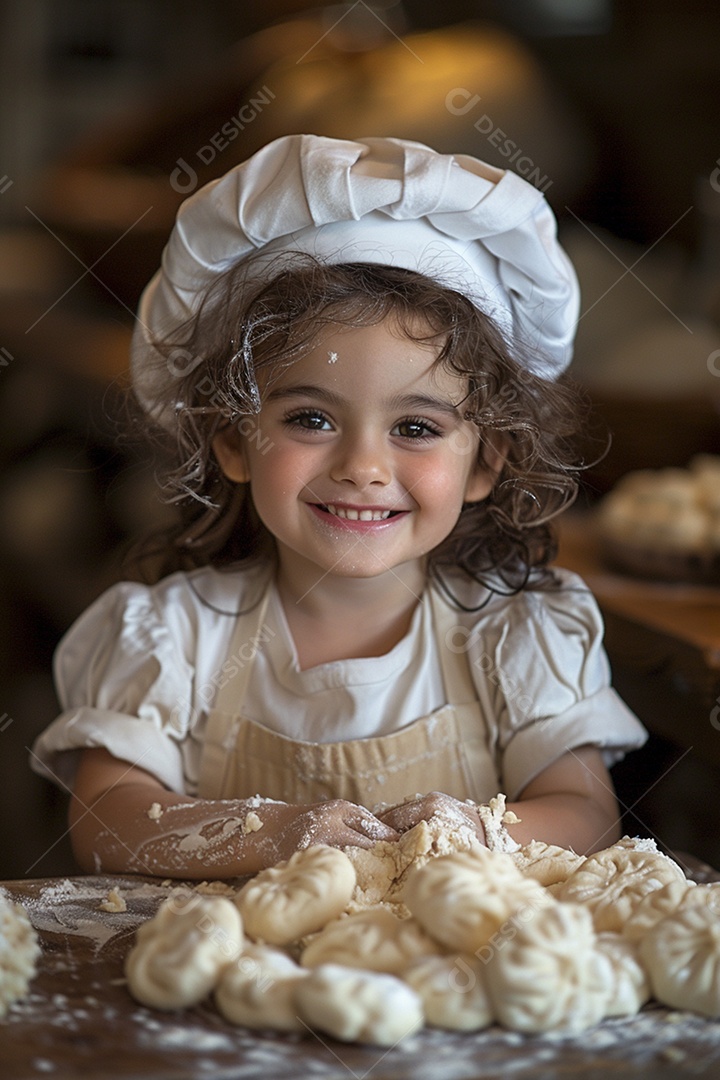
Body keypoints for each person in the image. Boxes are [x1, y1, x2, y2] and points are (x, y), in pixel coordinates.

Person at [31, 135, 647, 879]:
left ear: (487, 461)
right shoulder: (178, 641)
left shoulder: (513, 637)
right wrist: (267, 832)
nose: (362, 468)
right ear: (233, 439)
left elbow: (586, 813)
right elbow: (105, 819)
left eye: (416, 428)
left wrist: (471, 831)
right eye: (310, 419)